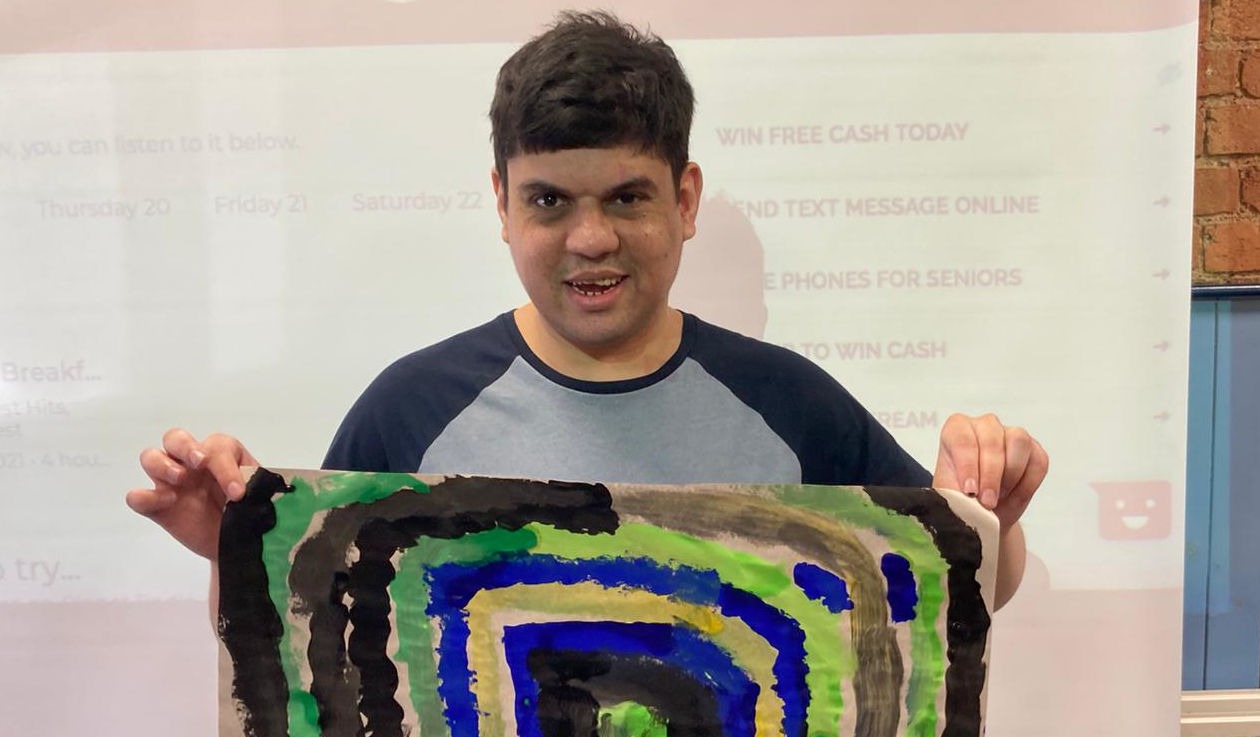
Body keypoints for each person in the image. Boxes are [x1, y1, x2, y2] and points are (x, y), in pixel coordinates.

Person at [126, 10, 1047, 608]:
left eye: (627, 198)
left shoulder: (794, 406)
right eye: (549, 201)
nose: (591, 239)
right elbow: (300, 629)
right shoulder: (409, 410)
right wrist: (235, 553)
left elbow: (967, 591)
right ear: (501, 203)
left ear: (685, 201)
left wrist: (987, 515)